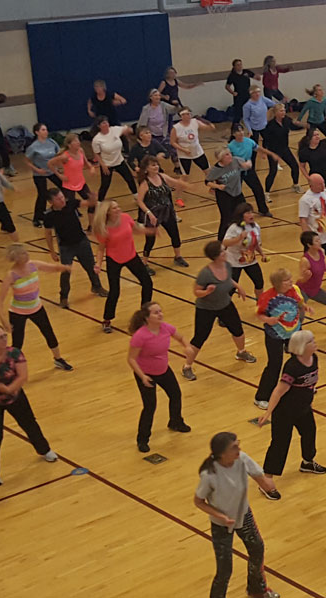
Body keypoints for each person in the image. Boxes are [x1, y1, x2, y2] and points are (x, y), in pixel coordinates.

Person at [0, 324, 58, 489]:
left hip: (15, 397)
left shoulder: (14, 354)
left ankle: (44, 450)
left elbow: (23, 376)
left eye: (4, 336)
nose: (4, 339)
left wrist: (8, 389)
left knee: (29, 423)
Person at [194, 431, 281, 598]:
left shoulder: (242, 459)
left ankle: (257, 590)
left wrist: (266, 484)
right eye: (234, 447)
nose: (239, 448)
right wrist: (220, 516)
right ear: (222, 454)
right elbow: (198, 502)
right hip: (221, 525)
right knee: (225, 570)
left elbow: (258, 476)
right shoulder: (209, 475)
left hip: (244, 515)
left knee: (257, 549)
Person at [259, 329, 326, 491]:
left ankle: (307, 462)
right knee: (280, 444)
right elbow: (279, 390)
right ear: (302, 346)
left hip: (303, 408)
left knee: (310, 432)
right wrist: (268, 412)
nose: (315, 342)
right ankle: (267, 479)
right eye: (311, 341)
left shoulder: (314, 358)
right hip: (285, 412)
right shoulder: (292, 366)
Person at [179, 241, 252, 382]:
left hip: (225, 304)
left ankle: (241, 352)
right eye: (222, 252)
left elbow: (228, 279)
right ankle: (187, 366)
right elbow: (196, 292)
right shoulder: (205, 273)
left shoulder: (227, 266)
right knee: (200, 337)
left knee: (237, 329)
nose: (225, 252)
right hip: (206, 309)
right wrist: (206, 291)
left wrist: (239, 287)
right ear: (216, 256)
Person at [126, 301, 191, 454]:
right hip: (146, 374)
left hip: (163, 370)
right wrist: (142, 376)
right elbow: (131, 359)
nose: (160, 314)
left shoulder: (165, 327)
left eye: (160, 311)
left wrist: (187, 347)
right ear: (147, 317)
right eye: (156, 312)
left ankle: (175, 422)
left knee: (175, 394)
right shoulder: (140, 336)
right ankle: (142, 439)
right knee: (150, 407)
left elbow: (181, 338)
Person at [0, 245, 72, 370]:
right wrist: (4, 322)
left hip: (37, 308)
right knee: (18, 343)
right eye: (23, 253)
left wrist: (65, 267)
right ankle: (11, 367)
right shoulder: (11, 275)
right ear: (17, 258)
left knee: (48, 333)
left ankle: (58, 359)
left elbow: (51, 268)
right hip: (17, 312)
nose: (27, 254)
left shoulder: (33, 265)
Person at [94, 198, 156, 333]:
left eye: (118, 207)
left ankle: (144, 315)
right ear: (108, 212)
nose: (118, 209)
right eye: (114, 208)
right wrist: (98, 264)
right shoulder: (104, 228)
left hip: (131, 256)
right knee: (115, 291)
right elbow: (101, 248)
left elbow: (137, 229)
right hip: (114, 259)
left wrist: (150, 231)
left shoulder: (126, 218)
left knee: (147, 283)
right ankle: (107, 319)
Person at [254, 269, 309, 409]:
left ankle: (301, 387)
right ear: (278, 283)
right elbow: (259, 314)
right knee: (274, 364)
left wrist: (305, 307)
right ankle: (262, 397)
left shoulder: (294, 290)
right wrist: (268, 319)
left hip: (294, 331)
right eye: (287, 280)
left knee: (300, 358)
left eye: (290, 279)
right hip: (275, 334)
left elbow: (299, 302)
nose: (290, 282)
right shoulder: (267, 297)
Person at [90, 117, 139, 201]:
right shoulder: (97, 139)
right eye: (103, 123)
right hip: (107, 164)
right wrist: (103, 165)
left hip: (119, 161)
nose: (106, 124)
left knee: (130, 179)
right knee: (105, 185)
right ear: (99, 126)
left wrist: (130, 130)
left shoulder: (114, 130)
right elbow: (96, 154)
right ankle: (99, 203)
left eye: (106, 122)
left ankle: (136, 197)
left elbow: (126, 129)